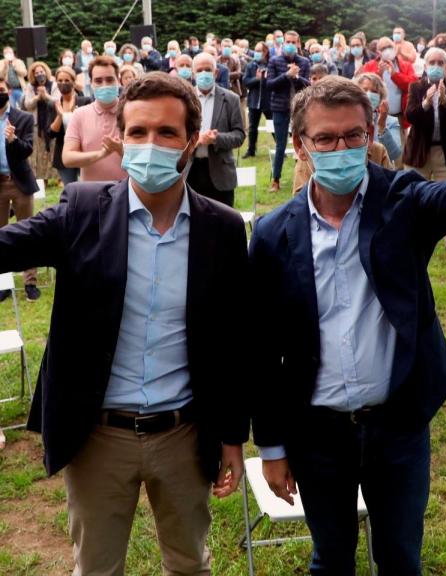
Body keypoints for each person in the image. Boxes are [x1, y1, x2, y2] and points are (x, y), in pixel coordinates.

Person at [250, 74, 446, 576]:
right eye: (325, 138)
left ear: (371, 132)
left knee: (399, 559)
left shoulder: (402, 200)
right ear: (302, 145)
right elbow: (262, 350)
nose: (340, 147)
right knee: (330, 558)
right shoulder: (271, 235)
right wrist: (273, 447)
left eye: (351, 135)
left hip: (397, 425)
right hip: (317, 431)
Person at [0, 72, 248, 574]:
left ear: (190, 141)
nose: (150, 144)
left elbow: (229, 341)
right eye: (137, 132)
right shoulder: (83, 208)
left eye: (166, 133)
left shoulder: (220, 228)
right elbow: (7, 245)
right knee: (96, 567)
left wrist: (232, 438)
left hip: (183, 433)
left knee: (189, 564)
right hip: (98, 436)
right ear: (122, 136)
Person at [404, 48, 446, 256]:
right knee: (414, 195)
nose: (436, 66)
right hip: (419, 152)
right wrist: (425, 103)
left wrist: (445, 100)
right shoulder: (416, 86)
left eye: (440, 63)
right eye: (432, 62)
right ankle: (413, 235)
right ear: (425, 65)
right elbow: (411, 116)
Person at [183, 53, 244, 208]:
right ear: (193, 74)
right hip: (191, 170)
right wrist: (195, 142)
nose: (204, 74)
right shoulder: (183, 100)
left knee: (223, 224)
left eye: (208, 69)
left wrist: (216, 139)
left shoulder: (231, 99)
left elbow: (239, 135)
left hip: (220, 172)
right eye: (200, 70)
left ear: (216, 73)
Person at [0, 77, 41, 301]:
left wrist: (13, 139)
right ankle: (4, 283)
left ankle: (30, 282)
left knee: (27, 232)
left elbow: (27, 149)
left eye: (1, 90)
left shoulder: (22, 118)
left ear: (8, 91)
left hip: (19, 182)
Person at [63, 56, 127, 183]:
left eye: (109, 80)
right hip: (91, 194)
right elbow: (67, 158)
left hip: (126, 192)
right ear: (91, 83)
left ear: (118, 81)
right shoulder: (79, 114)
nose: (104, 85)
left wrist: (122, 149)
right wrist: (100, 155)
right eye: (98, 81)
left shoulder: (131, 112)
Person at [266, 30, 311, 193]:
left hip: (300, 109)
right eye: (288, 42)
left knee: (305, 144)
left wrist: (296, 77)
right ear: (283, 43)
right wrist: (286, 75)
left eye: (294, 42)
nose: (291, 45)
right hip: (280, 109)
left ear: (298, 44)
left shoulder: (304, 62)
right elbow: (269, 84)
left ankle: (306, 176)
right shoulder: (274, 61)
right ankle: (276, 180)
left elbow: (308, 85)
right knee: (281, 145)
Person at [361, 36, 416, 137]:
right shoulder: (370, 65)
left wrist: (395, 75)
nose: (387, 50)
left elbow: (412, 86)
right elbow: (364, 89)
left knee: (399, 150)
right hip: (376, 116)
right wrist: (379, 75)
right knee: (377, 147)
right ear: (378, 52)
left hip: (399, 116)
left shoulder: (405, 65)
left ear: (394, 47)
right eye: (383, 48)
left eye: (389, 46)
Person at [47, 66, 92, 186]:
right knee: (70, 190)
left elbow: (90, 128)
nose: (63, 83)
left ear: (73, 81)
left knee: (88, 187)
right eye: (60, 81)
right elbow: (51, 133)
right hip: (63, 153)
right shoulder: (54, 105)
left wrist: (74, 114)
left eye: (67, 80)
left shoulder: (85, 101)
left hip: (84, 151)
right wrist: (60, 115)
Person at [354, 72, 402, 164]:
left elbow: (394, 155)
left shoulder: (391, 121)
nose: (369, 94)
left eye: (374, 91)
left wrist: (382, 127)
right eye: (365, 90)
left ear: (381, 97)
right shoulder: (349, 120)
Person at [21, 61, 57, 183]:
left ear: (46, 72)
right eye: (36, 73)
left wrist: (45, 95)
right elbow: (27, 105)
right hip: (37, 124)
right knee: (38, 152)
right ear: (33, 75)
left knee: (52, 149)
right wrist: (37, 97)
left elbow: (56, 102)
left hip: (51, 122)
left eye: (41, 72)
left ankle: (56, 178)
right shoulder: (30, 87)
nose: (39, 74)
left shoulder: (53, 84)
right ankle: (42, 179)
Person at [243, 42, 271, 158]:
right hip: (254, 102)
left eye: (260, 51)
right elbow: (246, 82)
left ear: (265, 52)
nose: (257, 53)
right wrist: (257, 79)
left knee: (273, 125)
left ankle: (281, 150)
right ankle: (251, 150)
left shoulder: (271, 65)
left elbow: (273, 83)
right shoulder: (250, 66)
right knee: (252, 128)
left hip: (268, 102)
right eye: (256, 50)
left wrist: (265, 79)